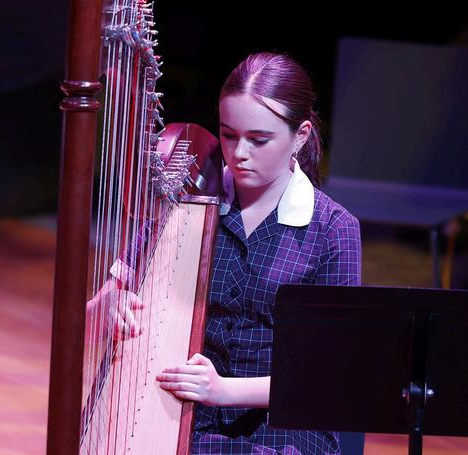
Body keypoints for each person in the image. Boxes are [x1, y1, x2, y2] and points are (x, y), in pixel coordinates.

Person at [154, 52, 362, 454]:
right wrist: (112, 303)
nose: (239, 152)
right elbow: (119, 287)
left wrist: (222, 390)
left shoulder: (333, 229)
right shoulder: (192, 198)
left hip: (287, 422)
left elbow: (328, 374)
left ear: (300, 136)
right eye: (229, 135)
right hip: (194, 411)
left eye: (259, 139)